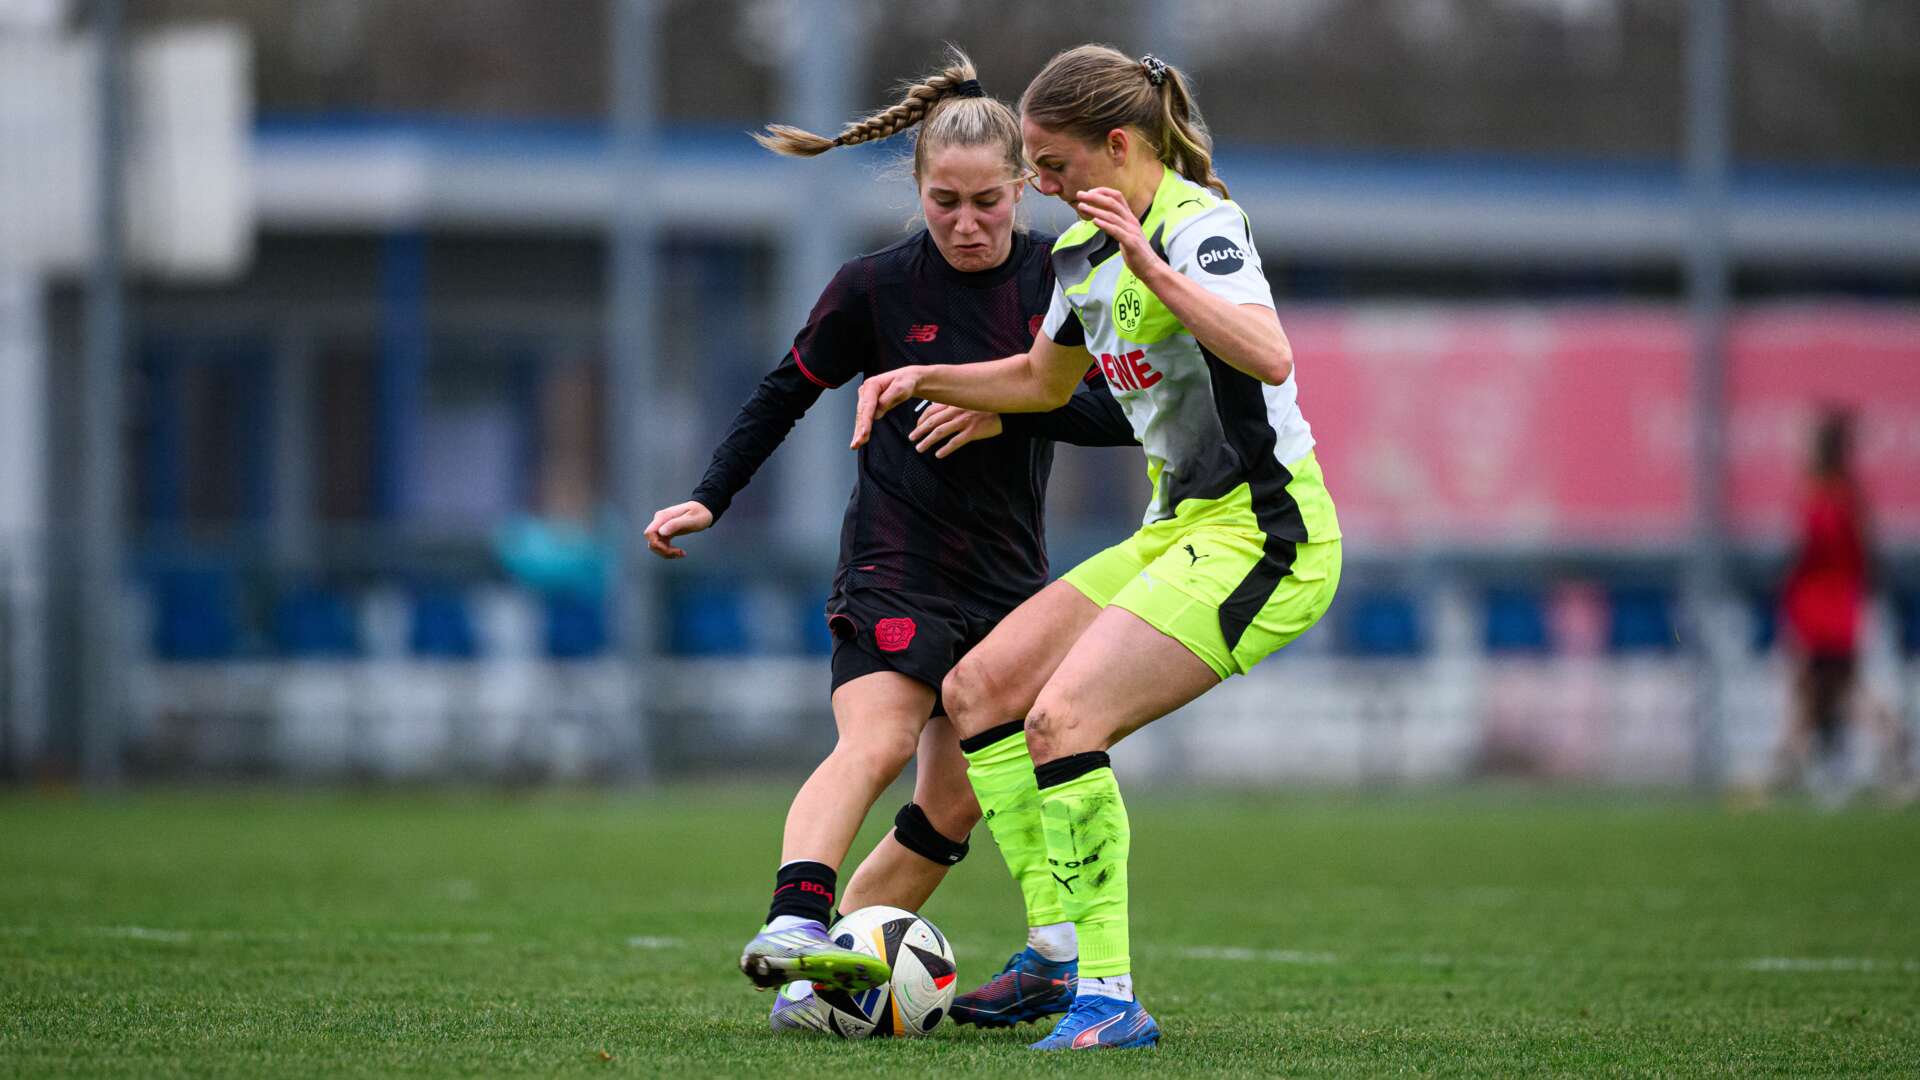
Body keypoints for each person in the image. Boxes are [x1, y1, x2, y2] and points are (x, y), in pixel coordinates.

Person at [852, 45, 1343, 1050]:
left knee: (1065, 716)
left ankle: (1109, 998)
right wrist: (920, 378)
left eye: (1053, 166)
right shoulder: (1082, 252)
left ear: (1119, 146)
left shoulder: (1199, 225)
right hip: (1177, 530)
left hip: (1266, 532)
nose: (1041, 188)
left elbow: (1270, 354)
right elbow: (1039, 381)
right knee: (980, 689)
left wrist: (1153, 264)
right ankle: (1053, 955)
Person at [640, 49, 1135, 1027]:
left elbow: (1130, 413)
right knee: (878, 735)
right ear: (916, 191)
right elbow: (784, 393)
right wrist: (710, 498)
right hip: (894, 562)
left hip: (1008, 580)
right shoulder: (873, 287)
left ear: (1028, 188)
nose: (966, 222)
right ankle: (794, 923)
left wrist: (1014, 412)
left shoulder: (1065, 276)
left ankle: (829, 992)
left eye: (987, 201)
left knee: (953, 805)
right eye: (944, 201)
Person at [1771, 409, 1913, 801]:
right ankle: (1791, 762)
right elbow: (1867, 555)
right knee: (1823, 685)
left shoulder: (1820, 495)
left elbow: (1806, 551)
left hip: (1817, 602)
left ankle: (1791, 763)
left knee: (1822, 684)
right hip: (1840, 601)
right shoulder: (1851, 496)